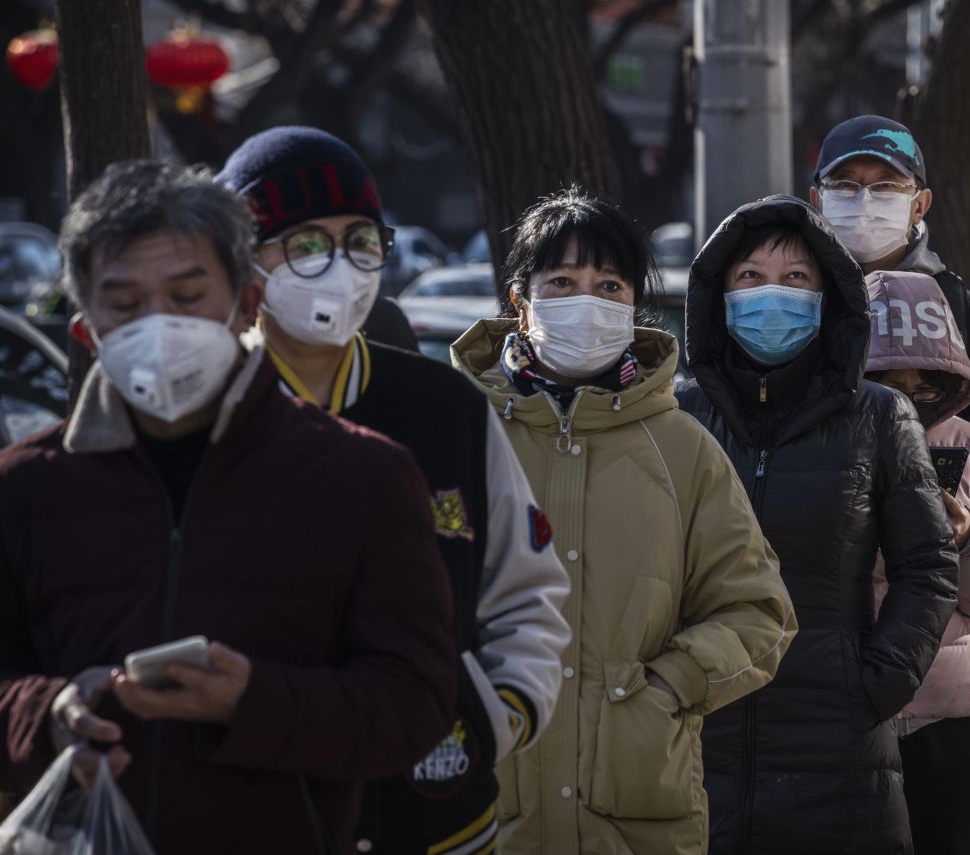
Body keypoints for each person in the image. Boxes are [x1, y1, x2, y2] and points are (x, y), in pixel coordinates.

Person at [0, 160, 457, 853]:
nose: (159, 326)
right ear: (87, 332)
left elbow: (414, 705)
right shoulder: (27, 488)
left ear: (247, 305)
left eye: (187, 296)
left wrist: (253, 701)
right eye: (124, 306)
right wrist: (47, 714)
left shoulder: (363, 477)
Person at [218, 125, 572, 855]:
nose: (339, 265)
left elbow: (526, 591)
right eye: (306, 243)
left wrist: (497, 714)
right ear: (245, 262)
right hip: (249, 815)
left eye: (360, 240)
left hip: (438, 815)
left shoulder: (443, 408)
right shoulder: (205, 417)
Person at [450, 188, 796, 855]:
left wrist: (667, 687)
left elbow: (759, 612)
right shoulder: (459, 435)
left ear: (634, 304)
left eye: (610, 285)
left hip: (638, 817)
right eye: (562, 282)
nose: (588, 300)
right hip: (485, 809)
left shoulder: (683, 448)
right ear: (520, 303)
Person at [679, 195, 960, 853]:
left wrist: (874, 684)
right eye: (749, 277)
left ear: (828, 296)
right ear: (717, 296)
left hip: (840, 755)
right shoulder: (677, 419)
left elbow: (929, 566)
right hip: (701, 744)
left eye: (795, 278)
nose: (770, 294)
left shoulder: (879, 417)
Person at [810, 115, 970, 716]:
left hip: (943, 637)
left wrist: (963, 555)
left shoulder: (958, 309)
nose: (864, 201)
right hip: (815, 624)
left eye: (886, 186)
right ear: (816, 200)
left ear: (920, 204)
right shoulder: (795, 303)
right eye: (846, 184)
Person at [864, 270, 970, 854]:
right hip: (853, 702)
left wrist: (964, 533)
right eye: (886, 383)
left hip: (947, 709)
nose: (908, 401)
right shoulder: (832, 435)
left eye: (925, 387)